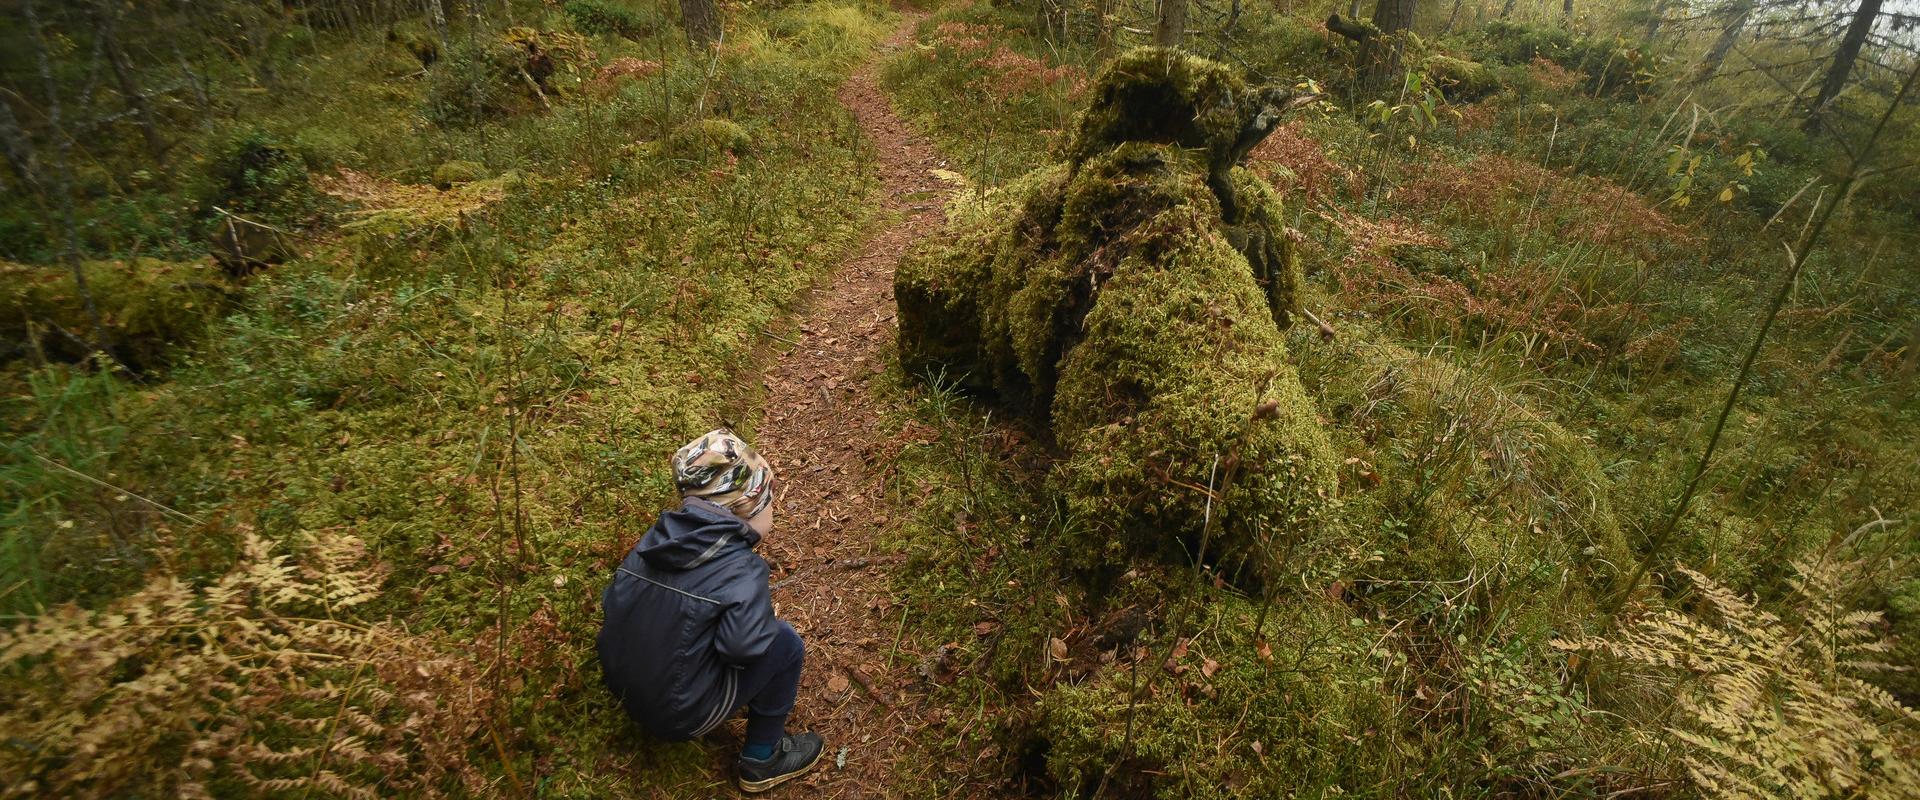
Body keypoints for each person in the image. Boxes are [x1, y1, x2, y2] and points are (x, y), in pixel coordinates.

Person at [597, 429, 825, 793]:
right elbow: (743, 648)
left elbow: (615, 602)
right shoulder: (740, 569)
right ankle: (761, 759)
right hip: (678, 713)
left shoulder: (650, 543)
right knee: (785, 644)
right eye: (770, 502)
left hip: (624, 691)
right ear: (746, 506)